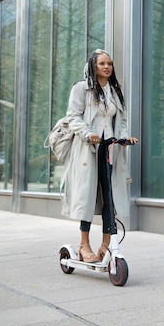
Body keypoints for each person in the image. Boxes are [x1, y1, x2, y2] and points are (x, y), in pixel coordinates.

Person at [60, 49, 138, 263]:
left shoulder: (114, 91)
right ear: (93, 66)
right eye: (102, 63)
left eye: (110, 64)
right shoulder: (81, 88)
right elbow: (72, 117)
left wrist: (124, 138)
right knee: (87, 196)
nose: (107, 67)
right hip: (88, 148)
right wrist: (88, 133)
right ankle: (83, 245)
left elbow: (122, 120)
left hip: (110, 149)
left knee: (109, 197)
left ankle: (106, 244)